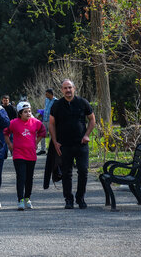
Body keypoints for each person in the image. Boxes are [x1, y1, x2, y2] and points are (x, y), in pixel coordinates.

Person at [49, 79, 96, 209]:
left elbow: (92, 120)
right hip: (64, 145)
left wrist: (87, 135)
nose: (68, 90)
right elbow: (51, 124)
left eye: (70, 87)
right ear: (61, 90)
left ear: (74, 88)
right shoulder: (57, 105)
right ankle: (68, 199)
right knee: (66, 173)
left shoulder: (82, 102)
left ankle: (80, 198)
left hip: (81, 144)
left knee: (83, 171)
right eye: (65, 88)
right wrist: (55, 142)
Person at [4, 101, 46, 210]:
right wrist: (9, 144)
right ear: (19, 113)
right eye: (25, 112)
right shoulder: (13, 123)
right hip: (18, 154)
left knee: (29, 178)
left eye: (29, 111)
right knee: (21, 177)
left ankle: (27, 198)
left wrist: (36, 142)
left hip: (31, 155)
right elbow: (5, 132)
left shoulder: (35, 122)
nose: (28, 113)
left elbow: (43, 131)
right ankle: (20, 200)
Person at [38, 89, 57, 155]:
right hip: (44, 119)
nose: (45, 95)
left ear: (50, 93)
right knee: (42, 134)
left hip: (51, 121)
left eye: (47, 94)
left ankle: (51, 150)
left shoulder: (56, 101)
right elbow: (46, 109)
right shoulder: (46, 100)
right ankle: (43, 149)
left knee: (51, 135)